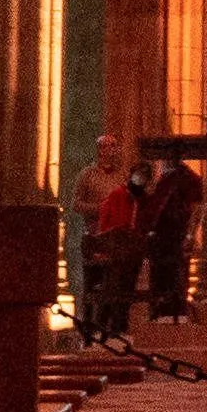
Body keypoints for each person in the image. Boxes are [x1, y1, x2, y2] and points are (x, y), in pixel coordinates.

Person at [74, 129, 146, 339]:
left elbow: (133, 200)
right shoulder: (87, 174)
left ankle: (115, 326)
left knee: (118, 283)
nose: (109, 151)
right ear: (98, 150)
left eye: (113, 146)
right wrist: (100, 209)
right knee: (93, 283)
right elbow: (75, 204)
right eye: (105, 147)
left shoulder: (124, 176)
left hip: (119, 242)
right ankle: (89, 327)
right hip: (95, 237)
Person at [136, 147, 207, 320]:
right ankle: (158, 309)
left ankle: (176, 310)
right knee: (158, 273)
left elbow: (197, 209)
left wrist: (190, 234)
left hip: (178, 233)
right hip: (159, 234)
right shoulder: (158, 178)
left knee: (177, 274)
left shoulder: (187, 178)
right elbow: (147, 203)